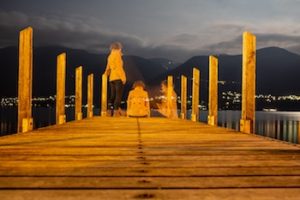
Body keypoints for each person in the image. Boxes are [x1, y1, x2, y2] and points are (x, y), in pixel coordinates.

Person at [103, 42, 126, 117]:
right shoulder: (117, 55)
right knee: (118, 96)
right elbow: (119, 67)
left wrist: (105, 74)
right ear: (119, 48)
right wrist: (123, 78)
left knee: (112, 95)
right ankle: (116, 112)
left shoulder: (110, 56)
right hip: (118, 77)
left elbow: (108, 67)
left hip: (111, 78)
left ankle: (110, 111)